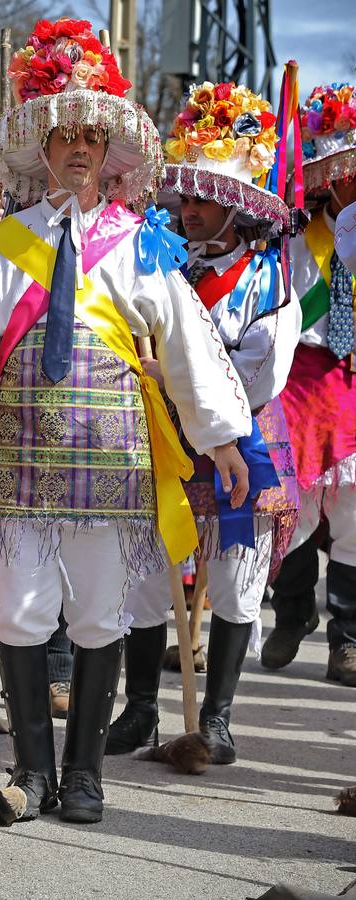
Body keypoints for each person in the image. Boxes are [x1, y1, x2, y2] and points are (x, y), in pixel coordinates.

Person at [0, 19, 252, 825]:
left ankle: (87, 775)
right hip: (21, 456)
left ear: (107, 153)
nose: (77, 150)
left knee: (99, 613)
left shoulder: (141, 243)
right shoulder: (5, 242)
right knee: (23, 613)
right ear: (45, 145)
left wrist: (223, 439)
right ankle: (32, 772)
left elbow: (186, 350)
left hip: (113, 458)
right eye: (64, 135)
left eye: (91, 138)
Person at [112, 81, 300, 762]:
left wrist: (170, 376)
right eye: (185, 198)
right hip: (157, 440)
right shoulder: (158, 267)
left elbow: (256, 379)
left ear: (238, 209)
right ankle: (138, 711)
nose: (189, 211)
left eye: (205, 200)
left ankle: (217, 719)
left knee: (232, 583)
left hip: (241, 442)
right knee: (141, 578)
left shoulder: (269, 285)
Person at [268, 82, 356, 688]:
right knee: (293, 506)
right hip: (299, 379)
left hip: (352, 380)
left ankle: (346, 638)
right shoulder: (295, 235)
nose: (347, 180)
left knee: (353, 513)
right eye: (340, 171)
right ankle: (293, 609)